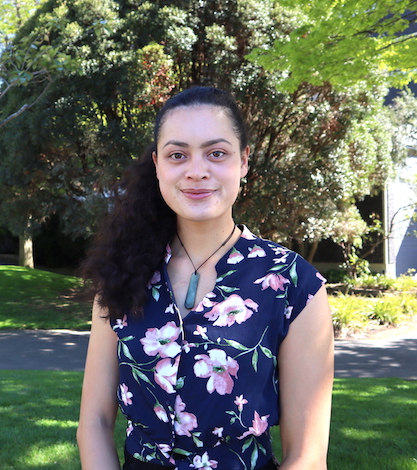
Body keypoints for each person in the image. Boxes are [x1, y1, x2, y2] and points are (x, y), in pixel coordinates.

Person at [77, 86, 334, 470]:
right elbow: (94, 423)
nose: (196, 171)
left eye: (216, 153)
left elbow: (307, 457)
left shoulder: (293, 283)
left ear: (244, 161)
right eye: (178, 155)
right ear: (158, 165)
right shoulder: (122, 272)